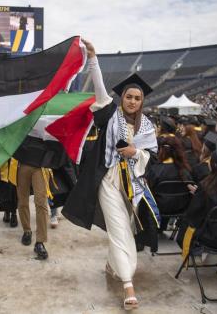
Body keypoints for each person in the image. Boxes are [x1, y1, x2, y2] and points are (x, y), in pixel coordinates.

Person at [62, 40, 159, 310]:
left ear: (142, 102)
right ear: (122, 98)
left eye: (137, 98)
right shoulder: (110, 115)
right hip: (108, 180)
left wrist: (135, 153)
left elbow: (151, 156)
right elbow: (100, 88)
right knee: (119, 230)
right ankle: (128, 284)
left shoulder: (148, 127)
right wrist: (93, 59)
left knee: (125, 227)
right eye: (128, 96)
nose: (132, 101)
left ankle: (110, 263)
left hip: (134, 186)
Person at [177, 141, 217, 264]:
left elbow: (193, 216)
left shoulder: (206, 187)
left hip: (213, 239)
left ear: (214, 165)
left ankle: (198, 253)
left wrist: (198, 196)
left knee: (188, 221)